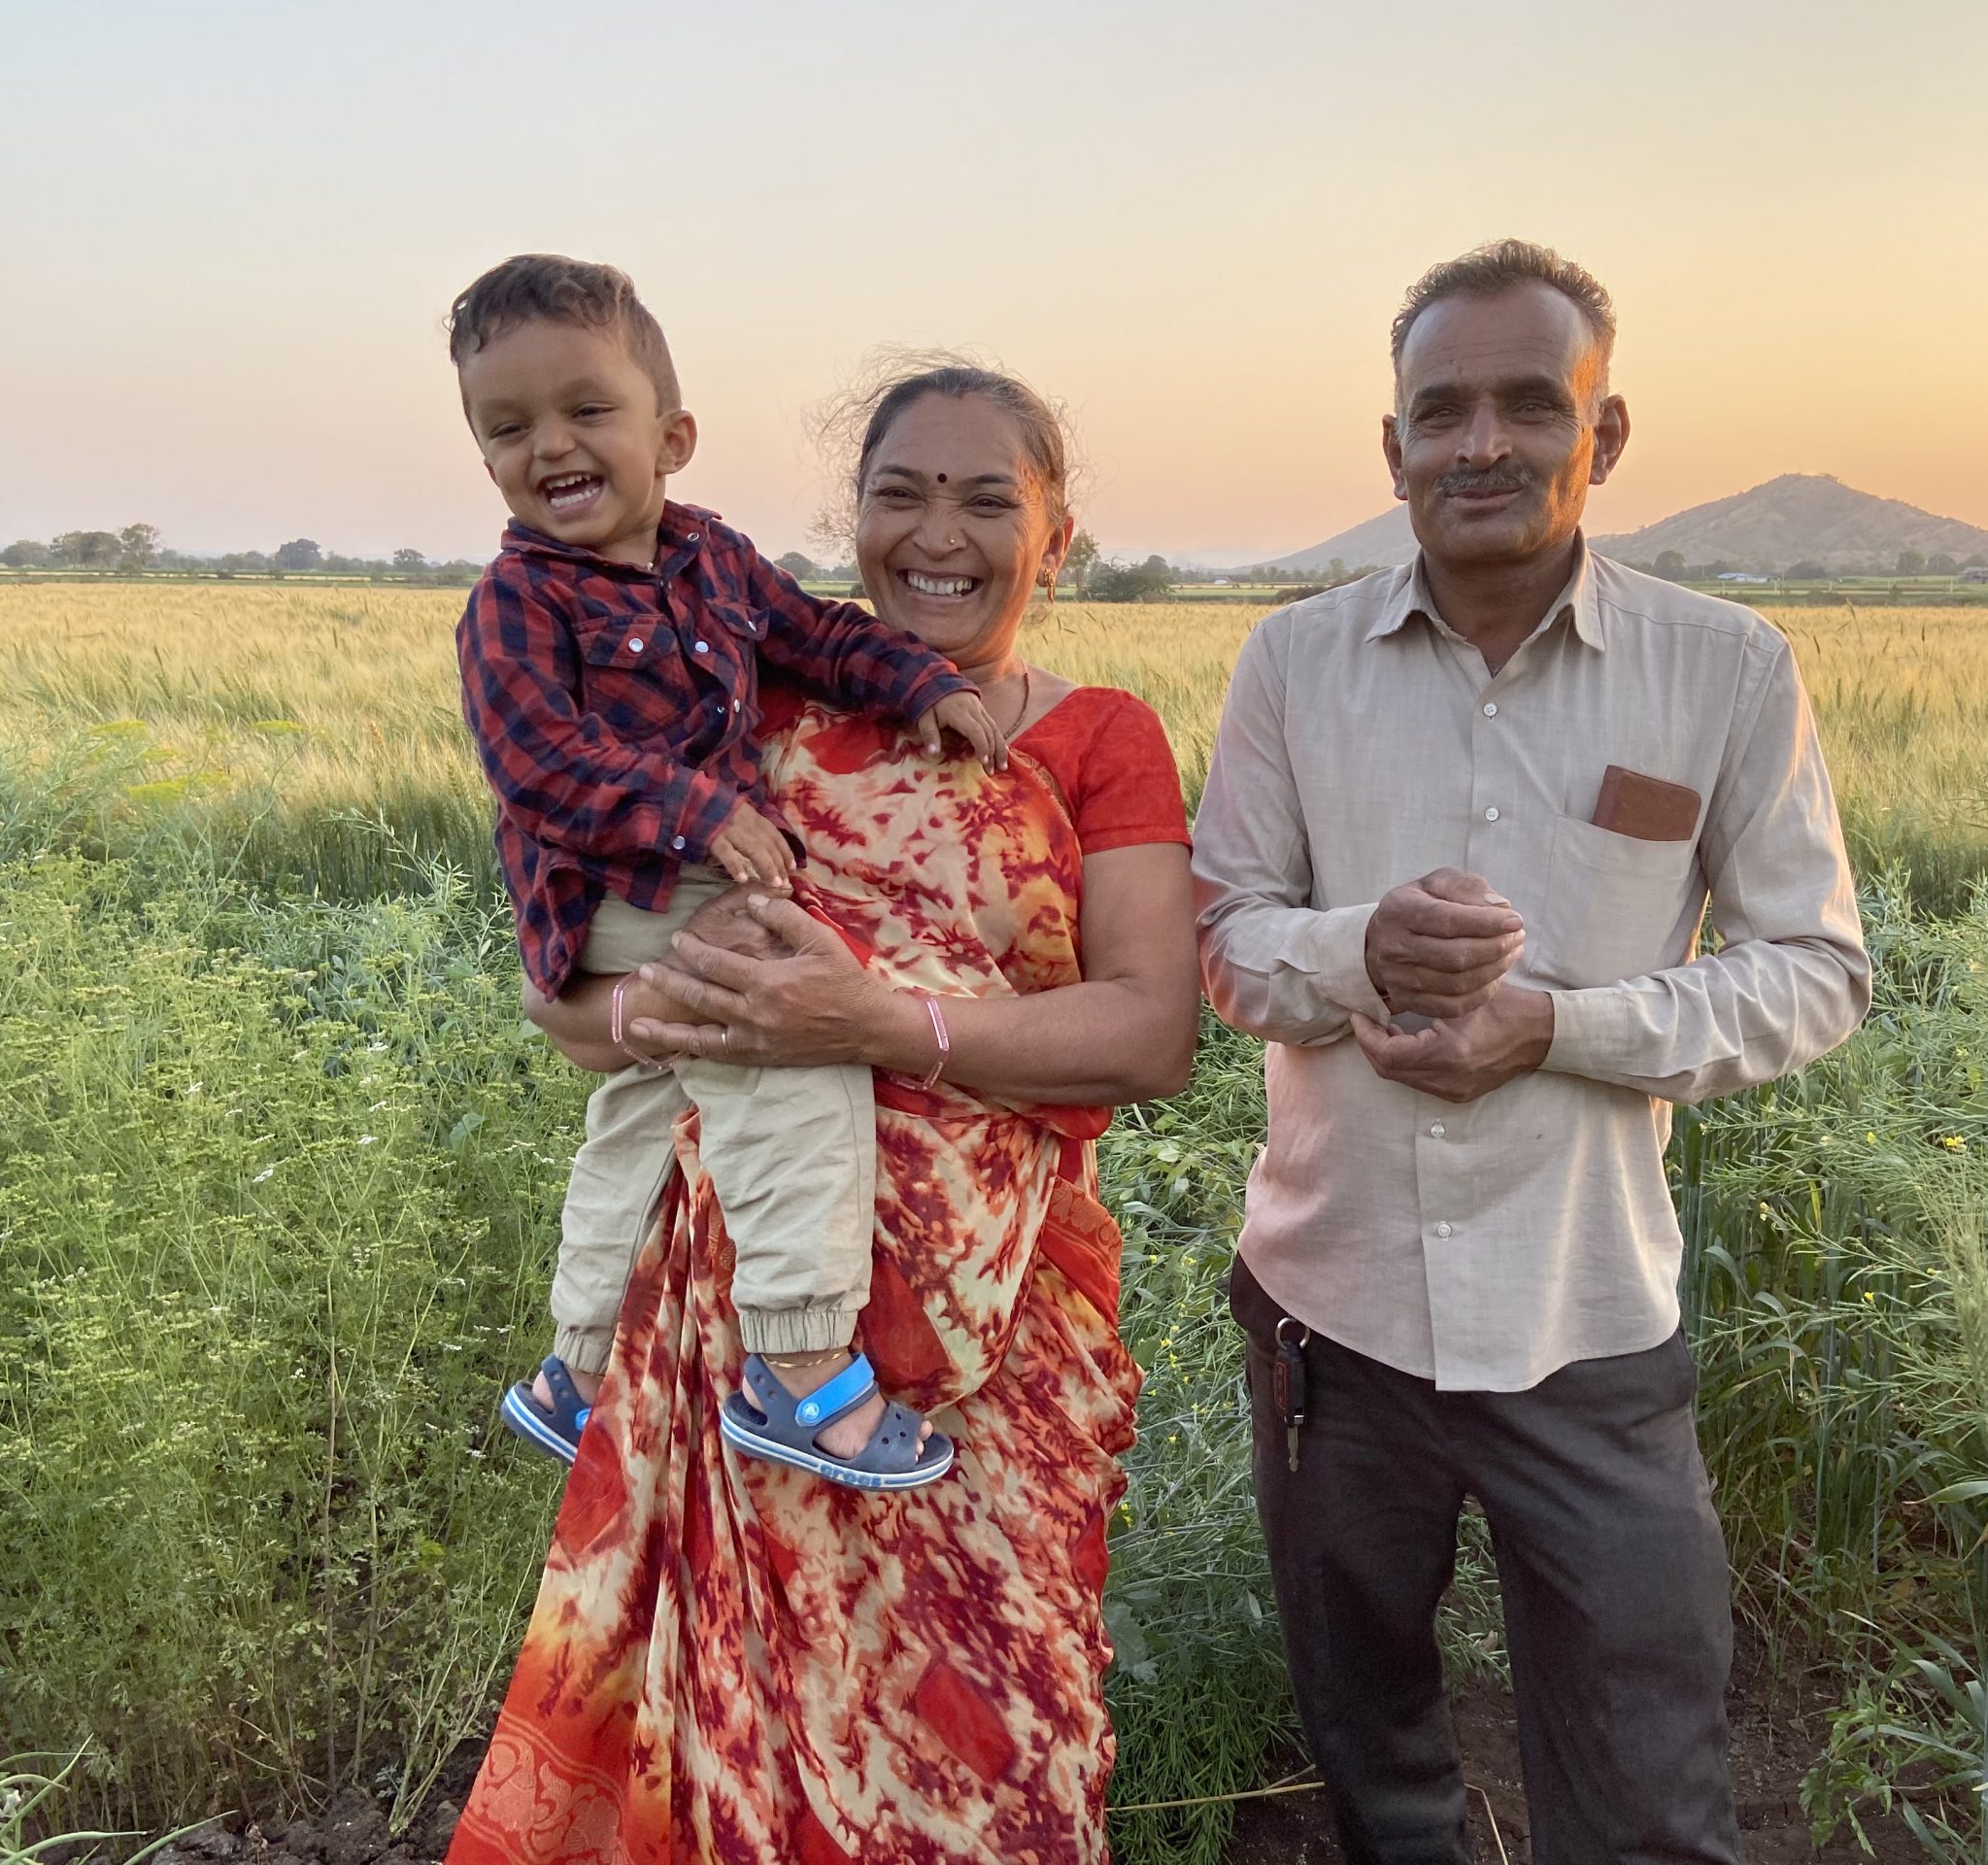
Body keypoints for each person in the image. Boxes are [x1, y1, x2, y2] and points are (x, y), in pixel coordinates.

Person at [447, 359, 1200, 1864]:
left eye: (987, 502)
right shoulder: (742, 718)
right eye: (900, 495)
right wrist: (678, 1015)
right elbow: (571, 1006)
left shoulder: (1101, 740)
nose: (939, 536)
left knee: (1002, 1738)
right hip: (744, 1335)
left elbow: (1147, 1032)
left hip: (1003, 1340)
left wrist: (873, 1026)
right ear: (852, 520)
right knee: (741, 1727)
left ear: (1055, 539)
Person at [1193, 240, 1871, 1864]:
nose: (1480, 444)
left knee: (1647, 1790)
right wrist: (1357, 950)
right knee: (1373, 1760)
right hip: (1334, 1319)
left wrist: (1560, 1026)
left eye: (1527, 405)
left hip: (1588, 1316)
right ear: (1393, 447)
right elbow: (1223, 939)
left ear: (1603, 433)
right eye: (1441, 411)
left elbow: (1818, 972)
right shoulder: (1292, 663)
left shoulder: (1724, 668)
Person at [448, 254, 1008, 1486]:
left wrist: (920, 681)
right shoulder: (514, 602)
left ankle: (577, 1367)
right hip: (626, 885)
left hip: (675, 879)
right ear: (483, 456)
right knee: (792, 1060)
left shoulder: (715, 558)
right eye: (508, 427)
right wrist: (693, 808)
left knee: (645, 1113)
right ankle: (800, 1367)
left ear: (673, 437)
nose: (550, 445)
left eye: (586, 409)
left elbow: (817, 635)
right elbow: (536, 762)